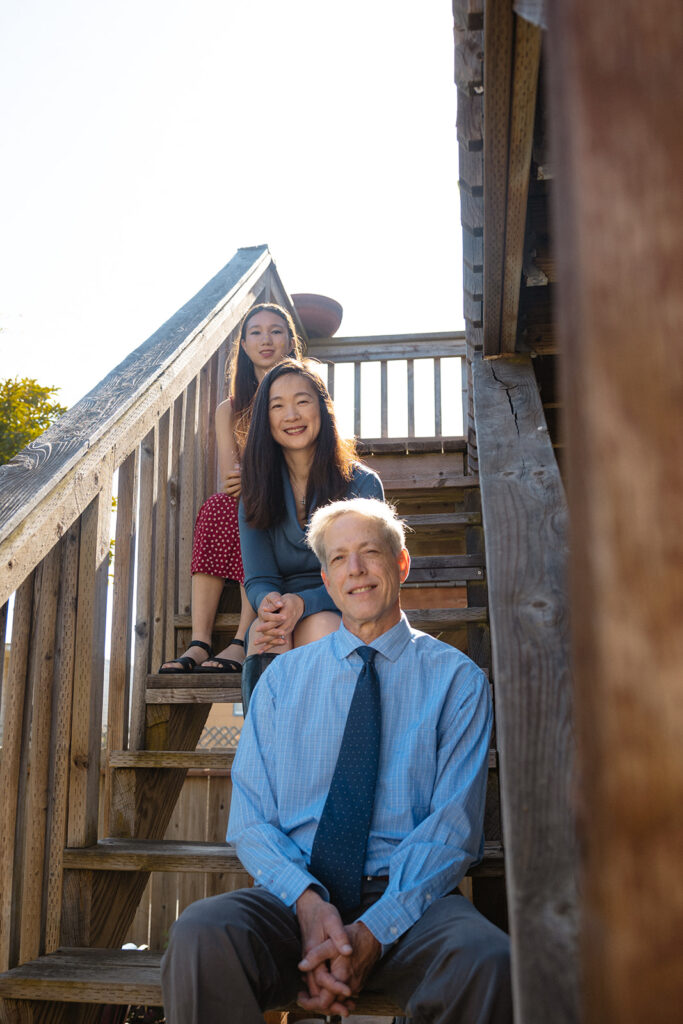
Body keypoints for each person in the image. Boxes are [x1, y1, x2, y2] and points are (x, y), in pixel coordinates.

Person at [161, 498, 512, 1024]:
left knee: (487, 960)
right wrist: (308, 906)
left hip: (409, 903)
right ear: (325, 579)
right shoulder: (281, 679)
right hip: (295, 896)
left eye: (371, 553)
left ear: (401, 564)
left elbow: (450, 833)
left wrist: (372, 932)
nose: (356, 571)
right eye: (341, 559)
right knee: (204, 932)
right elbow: (252, 818)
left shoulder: (458, 682)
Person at [159, 303, 303, 674]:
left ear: (289, 340)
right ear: (243, 343)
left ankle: (242, 638)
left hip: (297, 494)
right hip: (251, 496)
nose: (266, 339)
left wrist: (259, 480)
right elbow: (231, 477)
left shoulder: (307, 392)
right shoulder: (231, 407)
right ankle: (200, 641)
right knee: (218, 506)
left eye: (276, 330)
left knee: (253, 503)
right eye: (255, 331)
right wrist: (254, 481)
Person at [237, 358, 384, 708]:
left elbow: (369, 577)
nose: (292, 415)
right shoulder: (255, 490)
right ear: (265, 419)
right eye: (278, 406)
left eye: (302, 401)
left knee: (321, 630)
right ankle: (272, 754)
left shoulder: (361, 484)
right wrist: (270, 605)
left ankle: (327, 749)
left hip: (347, 605)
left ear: (322, 408)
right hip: (282, 611)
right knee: (265, 636)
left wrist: (303, 603)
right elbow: (258, 578)